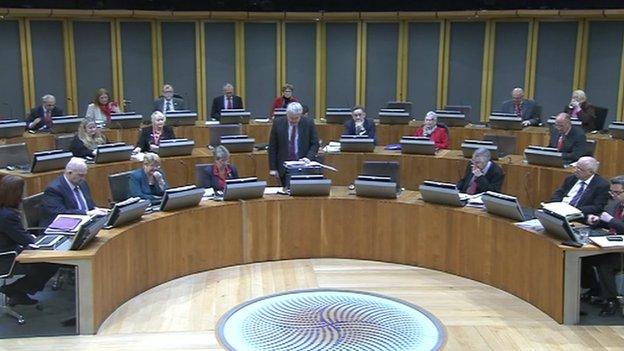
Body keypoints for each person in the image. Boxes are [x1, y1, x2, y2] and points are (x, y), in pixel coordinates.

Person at [0, 175, 59, 305]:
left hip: (9, 250)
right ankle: (15, 289)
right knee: (50, 262)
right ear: (15, 194)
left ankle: (19, 292)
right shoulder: (8, 216)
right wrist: (32, 238)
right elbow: (25, 240)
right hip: (6, 258)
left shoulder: (4, 211)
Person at [582, 176, 624, 316]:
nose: (614, 196)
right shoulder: (617, 204)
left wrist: (610, 220)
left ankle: (611, 300)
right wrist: (597, 221)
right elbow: (610, 224)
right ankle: (596, 289)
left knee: (606, 264)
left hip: (620, 251)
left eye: (617, 193)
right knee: (583, 258)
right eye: (612, 192)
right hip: (611, 244)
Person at [40, 158, 108, 228]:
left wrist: (97, 209)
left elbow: (89, 205)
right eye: (81, 175)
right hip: (62, 227)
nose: (83, 178)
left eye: (84, 175)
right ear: (69, 172)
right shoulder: (54, 189)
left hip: (83, 223)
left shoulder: (82, 183)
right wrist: (87, 213)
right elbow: (59, 213)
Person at [269, 102, 319, 186]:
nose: (293, 121)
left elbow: (315, 144)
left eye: (296, 118)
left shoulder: (308, 123)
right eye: (291, 118)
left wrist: (308, 158)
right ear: (287, 114)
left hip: (303, 165)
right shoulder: (278, 123)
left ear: (301, 115)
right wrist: (273, 168)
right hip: (284, 167)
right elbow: (273, 147)